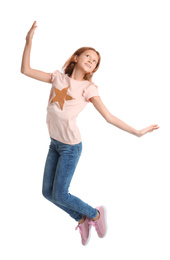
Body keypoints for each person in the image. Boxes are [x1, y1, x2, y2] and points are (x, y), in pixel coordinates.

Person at [21, 21, 160, 246]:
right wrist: (28, 42)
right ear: (76, 57)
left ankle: (95, 214)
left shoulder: (88, 89)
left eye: (95, 62)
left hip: (70, 147)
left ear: (94, 69)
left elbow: (109, 117)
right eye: (88, 56)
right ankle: (81, 218)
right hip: (54, 144)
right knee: (48, 193)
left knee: (61, 194)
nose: (91, 61)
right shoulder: (58, 77)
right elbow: (25, 70)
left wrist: (137, 132)